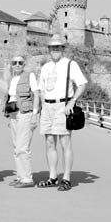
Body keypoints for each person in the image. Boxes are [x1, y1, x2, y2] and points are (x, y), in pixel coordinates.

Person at [38, 34, 87, 191]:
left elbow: (82, 84)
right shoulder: (45, 67)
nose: (55, 50)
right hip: (48, 107)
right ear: (49, 49)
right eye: (53, 47)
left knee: (65, 143)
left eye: (58, 47)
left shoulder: (70, 64)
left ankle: (66, 178)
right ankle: (52, 177)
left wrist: (72, 101)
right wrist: (43, 103)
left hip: (63, 106)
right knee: (49, 142)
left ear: (63, 49)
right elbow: (41, 88)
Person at [4, 55, 40, 188]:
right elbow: (10, 97)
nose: (17, 65)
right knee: (16, 147)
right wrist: (8, 115)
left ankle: (27, 179)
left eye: (20, 63)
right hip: (13, 114)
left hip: (25, 113)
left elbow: (36, 95)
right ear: (11, 65)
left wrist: (35, 115)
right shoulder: (12, 79)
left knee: (22, 147)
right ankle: (20, 176)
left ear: (24, 65)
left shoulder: (29, 76)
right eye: (15, 63)